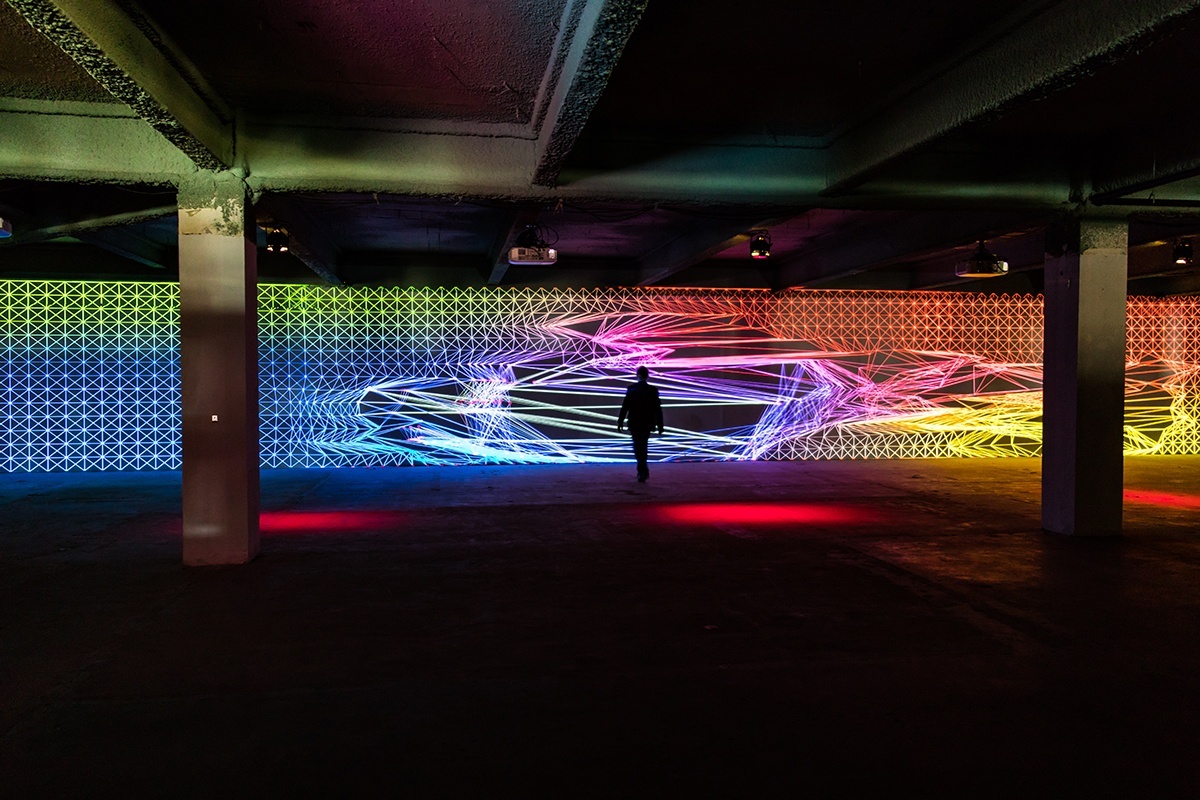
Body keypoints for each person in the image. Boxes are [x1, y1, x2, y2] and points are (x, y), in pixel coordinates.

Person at [617, 365, 664, 482]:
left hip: (634, 422)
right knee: (643, 445)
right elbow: (657, 409)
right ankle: (642, 469)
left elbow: (625, 407)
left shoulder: (631, 389)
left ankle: (641, 469)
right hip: (647, 422)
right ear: (647, 376)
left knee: (637, 446)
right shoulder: (653, 390)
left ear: (637, 375)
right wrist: (660, 425)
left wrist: (620, 421)